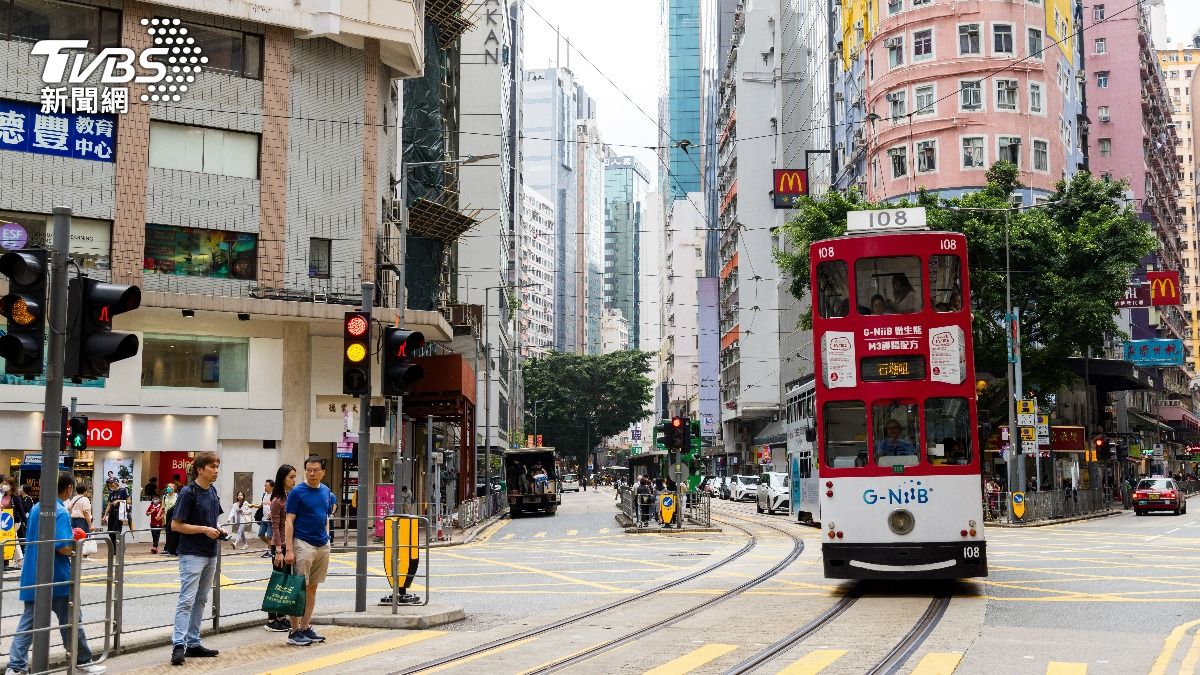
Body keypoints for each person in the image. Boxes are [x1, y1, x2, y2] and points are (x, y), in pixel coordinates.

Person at [4, 472, 107, 675]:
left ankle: (15, 666)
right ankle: (83, 660)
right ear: (68, 488)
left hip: (33, 573)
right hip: (57, 575)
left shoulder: (36, 507)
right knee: (71, 620)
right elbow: (61, 546)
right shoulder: (59, 511)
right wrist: (78, 545)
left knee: (29, 622)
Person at [169, 451, 225, 666]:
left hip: (210, 552)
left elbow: (212, 521)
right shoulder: (187, 492)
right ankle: (178, 645)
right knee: (187, 600)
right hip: (191, 553)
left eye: (217, 466)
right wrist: (204, 529)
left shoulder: (212, 491)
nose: (216, 470)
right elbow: (176, 525)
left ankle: (193, 642)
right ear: (199, 469)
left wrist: (218, 530)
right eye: (212, 466)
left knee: (201, 599)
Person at [283, 457, 333, 647]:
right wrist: (289, 549)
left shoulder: (326, 491)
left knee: (313, 587)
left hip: (322, 545)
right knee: (298, 588)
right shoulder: (297, 492)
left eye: (315, 470)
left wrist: (327, 538)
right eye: (308, 470)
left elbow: (325, 516)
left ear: (323, 472)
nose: (311, 474)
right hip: (303, 544)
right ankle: (294, 631)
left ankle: (305, 627)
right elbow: (289, 521)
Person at [266, 464, 296, 634]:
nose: (294, 480)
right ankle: (272, 619)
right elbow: (275, 526)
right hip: (280, 546)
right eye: (291, 477)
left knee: (284, 581)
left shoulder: (288, 496)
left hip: (288, 544)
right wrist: (278, 550)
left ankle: (280, 616)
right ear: (282, 478)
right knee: (277, 580)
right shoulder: (277, 500)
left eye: (294, 476)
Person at [104, 478, 130, 548]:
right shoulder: (111, 493)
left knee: (116, 531)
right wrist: (104, 515)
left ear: (116, 483)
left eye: (112, 483)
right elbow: (109, 505)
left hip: (119, 513)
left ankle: (119, 547)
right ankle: (115, 547)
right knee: (110, 532)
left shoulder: (123, 490)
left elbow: (129, 501)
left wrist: (118, 501)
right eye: (109, 483)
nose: (110, 485)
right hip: (112, 514)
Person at [256, 479, 275, 558]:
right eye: (265, 485)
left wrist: (272, 513)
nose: (265, 487)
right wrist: (254, 505)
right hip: (264, 519)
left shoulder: (274, 496)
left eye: (266, 485)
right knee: (261, 534)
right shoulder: (264, 495)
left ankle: (270, 551)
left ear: (272, 487)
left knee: (270, 536)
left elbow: (277, 507)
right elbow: (262, 505)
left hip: (271, 520)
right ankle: (271, 547)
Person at [160, 484, 178, 556]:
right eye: (168, 486)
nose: (169, 488)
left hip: (174, 518)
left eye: (170, 487)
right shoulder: (165, 497)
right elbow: (163, 507)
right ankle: (167, 548)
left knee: (174, 533)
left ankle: (174, 549)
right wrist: (160, 515)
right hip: (167, 517)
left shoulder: (177, 496)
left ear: (174, 488)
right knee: (168, 533)